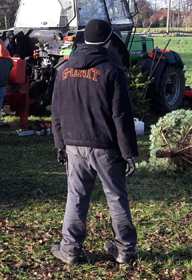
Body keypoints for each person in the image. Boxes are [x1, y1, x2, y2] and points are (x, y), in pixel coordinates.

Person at [51, 18, 139, 265]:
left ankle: (69, 250)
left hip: (73, 145)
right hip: (106, 147)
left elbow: (55, 111)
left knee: (76, 198)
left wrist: (60, 144)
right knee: (115, 197)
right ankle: (125, 250)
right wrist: (129, 151)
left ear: (83, 40)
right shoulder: (112, 72)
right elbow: (121, 116)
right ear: (109, 42)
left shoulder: (64, 70)